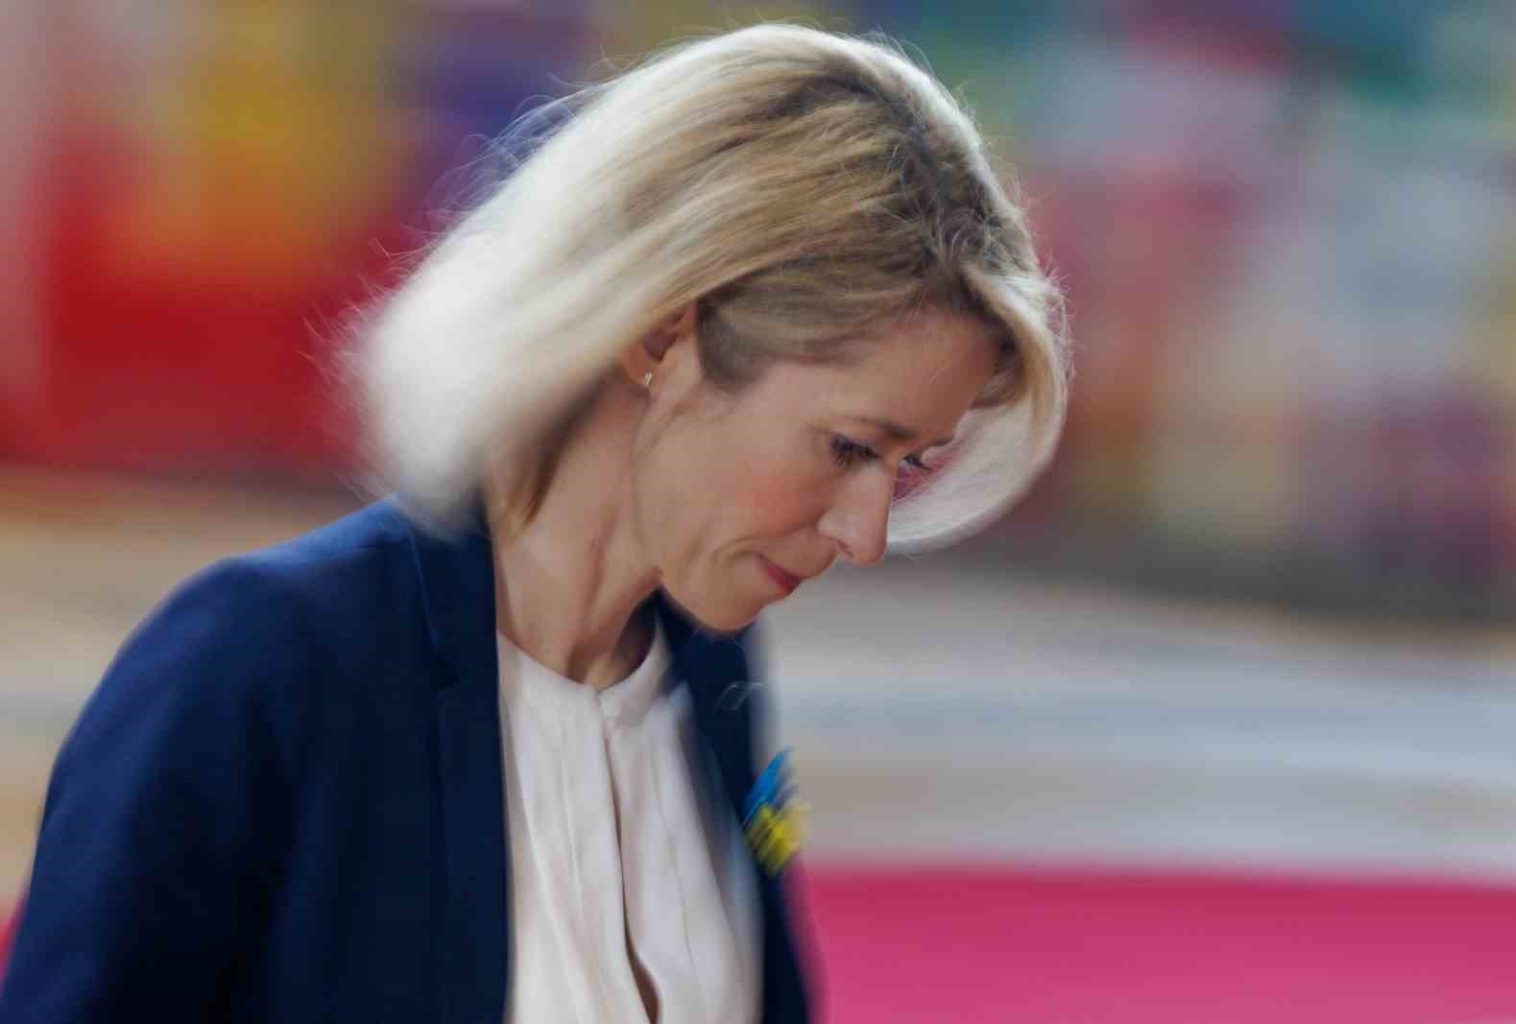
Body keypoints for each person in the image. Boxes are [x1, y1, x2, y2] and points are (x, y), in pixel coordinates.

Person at [0, 23, 1069, 1024]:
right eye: (848, 448)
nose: (868, 535)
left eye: (907, 465)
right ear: (663, 335)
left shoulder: (709, 664)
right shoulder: (263, 663)